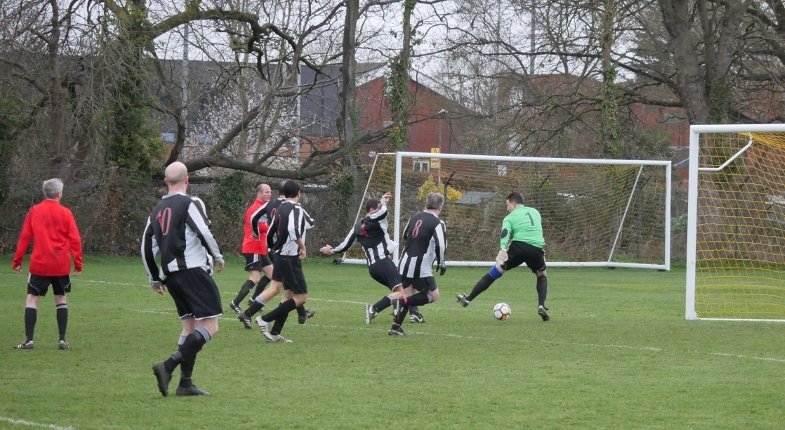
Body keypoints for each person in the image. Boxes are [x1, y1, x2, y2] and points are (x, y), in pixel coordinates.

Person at [142, 161, 225, 397]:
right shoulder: (189, 203)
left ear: (165, 182)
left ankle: (185, 384)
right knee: (211, 325)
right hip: (193, 271)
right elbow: (204, 232)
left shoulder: (156, 211)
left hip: (172, 276)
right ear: (187, 180)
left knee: (190, 327)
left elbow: (146, 247)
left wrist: (155, 278)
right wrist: (217, 256)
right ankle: (168, 366)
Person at [320, 191, 423, 324]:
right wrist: (383, 202)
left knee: (403, 287)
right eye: (378, 207)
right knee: (401, 292)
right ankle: (373, 309)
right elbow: (384, 212)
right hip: (383, 262)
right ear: (372, 210)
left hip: (373, 268)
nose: (381, 209)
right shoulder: (377, 218)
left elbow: (345, 245)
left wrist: (332, 250)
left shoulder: (357, 226)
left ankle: (403, 310)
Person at [12, 178, 83, 350]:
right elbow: (75, 239)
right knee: (60, 298)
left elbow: (25, 236)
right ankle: (62, 340)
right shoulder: (66, 213)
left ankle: (29, 341)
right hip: (60, 265)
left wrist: (18, 259)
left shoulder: (34, 211)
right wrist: (78, 263)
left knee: (32, 299)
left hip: (40, 264)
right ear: (59, 194)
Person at [456, 192, 550, 321]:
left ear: (513, 203)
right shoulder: (535, 212)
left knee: (496, 271)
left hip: (519, 247)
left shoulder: (509, 217)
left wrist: (503, 248)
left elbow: (505, 232)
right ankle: (541, 305)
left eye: (507, 205)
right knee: (542, 275)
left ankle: (468, 299)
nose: (507, 209)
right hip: (536, 248)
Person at [237, 181, 315, 327]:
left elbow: (254, 218)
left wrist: (256, 232)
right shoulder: (292, 207)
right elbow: (309, 223)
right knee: (290, 292)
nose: (268, 193)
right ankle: (268, 321)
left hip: (275, 248)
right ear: (297, 193)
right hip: (288, 251)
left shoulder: (271, 204)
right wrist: (302, 245)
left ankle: (248, 314)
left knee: (276, 287)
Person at [388, 192, 447, 336]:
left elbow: (405, 236)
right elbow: (441, 245)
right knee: (434, 295)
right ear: (441, 207)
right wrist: (441, 262)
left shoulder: (414, 217)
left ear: (426, 204)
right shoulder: (438, 223)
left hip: (404, 263)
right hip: (420, 268)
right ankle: (405, 303)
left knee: (408, 293)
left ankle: (395, 327)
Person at [227, 182, 274, 325]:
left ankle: (255, 299)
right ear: (259, 194)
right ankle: (235, 302)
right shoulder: (254, 209)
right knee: (254, 277)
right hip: (253, 247)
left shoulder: (264, 208)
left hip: (260, 248)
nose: (269, 194)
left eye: (270, 192)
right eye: (266, 192)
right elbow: (259, 227)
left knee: (272, 274)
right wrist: (273, 227)